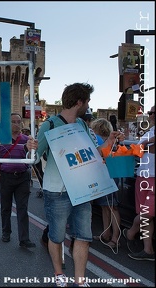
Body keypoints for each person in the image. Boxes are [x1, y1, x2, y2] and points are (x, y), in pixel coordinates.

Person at [34, 82, 125, 287]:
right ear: (79, 102)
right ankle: (59, 274)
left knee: (83, 236)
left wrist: (109, 141)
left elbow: (95, 154)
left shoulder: (83, 126)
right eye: (88, 102)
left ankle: (80, 280)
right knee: (56, 237)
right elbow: (33, 157)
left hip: (82, 190)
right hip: (57, 191)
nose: (89, 106)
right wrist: (29, 146)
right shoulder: (49, 126)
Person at [0, 113, 36, 248]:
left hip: (22, 178)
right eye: (13, 121)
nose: (16, 124)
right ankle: (6, 233)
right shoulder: (0, 139)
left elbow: (33, 156)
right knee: (6, 208)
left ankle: (24, 239)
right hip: (6, 177)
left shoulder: (26, 140)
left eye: (18, 121)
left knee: (22, 209)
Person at [123, 105, 154, 261]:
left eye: (153, 113)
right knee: (146, 216)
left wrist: (145, 145)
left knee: (148, 213)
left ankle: (130, 232)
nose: (150, 115)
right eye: (150, 112)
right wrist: (147, 142)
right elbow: (137, 150)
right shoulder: (149, 133)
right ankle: (148, 250)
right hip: (142, 177)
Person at [90, 118, 122, 252]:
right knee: (105, 206)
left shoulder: (105, 141)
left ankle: (115, 238)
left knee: (112, 207)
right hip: (108, 174)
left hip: (109, 174)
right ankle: (106, 233)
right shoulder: (107, 140)